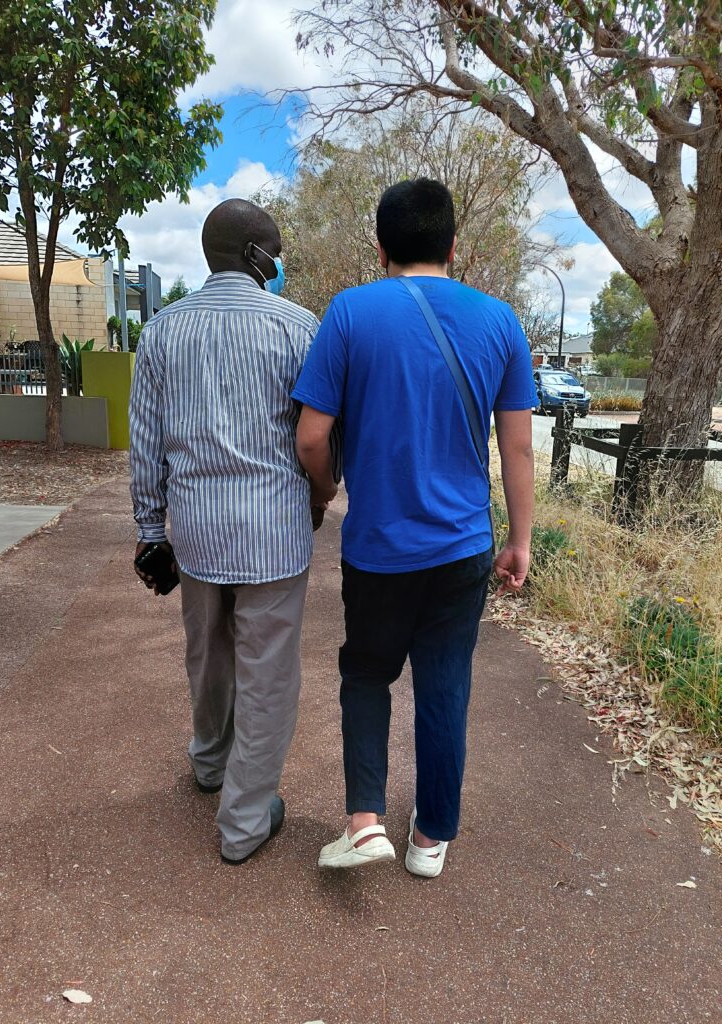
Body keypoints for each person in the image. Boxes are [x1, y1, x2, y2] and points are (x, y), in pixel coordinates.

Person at [292, 178, 535, 878]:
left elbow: (312, 437)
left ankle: (365, 822)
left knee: (367, 673)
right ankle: (431, 838)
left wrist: (328, 484)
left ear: (380, 247)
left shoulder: (349, 313)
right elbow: (516, 447)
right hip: (463, 546)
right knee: (445, 682)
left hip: (379, 547)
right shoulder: (500, 321)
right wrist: (518, 540)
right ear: (454, 245)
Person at [129, 199, 327, 865]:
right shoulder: (300, 329)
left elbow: (146, 442)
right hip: (275, 529)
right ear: (253, 256)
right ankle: (244, 821)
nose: (281, 259)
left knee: (208, 656)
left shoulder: (161, 331)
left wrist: (149, 531)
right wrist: (321, 499)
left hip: (197, 532)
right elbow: (316, 440)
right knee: (266, 674)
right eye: (275, 248)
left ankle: (210, 765)